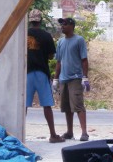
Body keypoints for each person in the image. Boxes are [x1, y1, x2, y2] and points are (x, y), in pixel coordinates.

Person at [26, 9, 65, 143]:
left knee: (23, 106)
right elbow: (50, 55)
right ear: (40, 20)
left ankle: (18, 132)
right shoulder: (46, 35)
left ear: (30, 20)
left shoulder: (23, 34)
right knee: (47, 105)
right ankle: (53, 135)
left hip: (26, 73)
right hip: (42, 72)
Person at [53, 18, 90, 141]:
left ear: (72, 26)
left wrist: (85, 77)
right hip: (64, 78)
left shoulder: (79, 40)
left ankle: (84, 132)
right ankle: (69, 132)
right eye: (61, 24)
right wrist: (55, 79)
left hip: (75, 78)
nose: (62, 26)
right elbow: (58, 61)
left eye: (65, 24)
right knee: (67, 107)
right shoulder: (60, 42)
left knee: (78, 105)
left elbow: (84, 60)